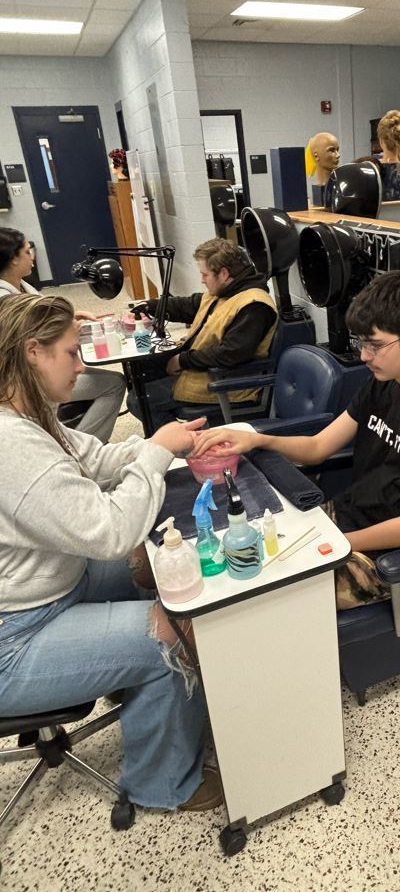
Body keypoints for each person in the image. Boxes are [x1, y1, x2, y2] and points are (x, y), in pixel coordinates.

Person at [0, 293, 221, 811]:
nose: (81, 366)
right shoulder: (11, 445)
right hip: (13, 639)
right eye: (72, 353)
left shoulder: (29, 417)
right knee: (170, 637)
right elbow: (112, 530)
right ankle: (164, 784)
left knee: (150, 568)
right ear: (33, 352)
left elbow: (98, 458)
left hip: (50, 588)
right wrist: (159, 452)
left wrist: (170, 445)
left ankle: (138, 689)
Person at [191, 271, 400, 610]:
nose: (363, 356)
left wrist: (335, 540)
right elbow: (318, 447)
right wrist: (255, 439)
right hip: (345, 518)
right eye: (362, 344)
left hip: (389, 558)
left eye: (374, 345)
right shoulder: (384, 385)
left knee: (266, 595)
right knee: (243, 557)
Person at [127, 237, 278, 433]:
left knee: (138, 399)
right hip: (206, 370)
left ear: (223, 274)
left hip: (227, 382)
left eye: (205, 275)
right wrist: (151, 306)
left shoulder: (253, 306)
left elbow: (231, 354)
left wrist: (182, 360)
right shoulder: (226, 292)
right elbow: (189, 305)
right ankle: (183, 435)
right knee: (144, 371)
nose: (202, 280)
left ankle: (186, 442)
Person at [0, 227, 127, 443]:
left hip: (39, 367)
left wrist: (75, 315)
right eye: (27, 251)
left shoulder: (21, 285)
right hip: (28, 377)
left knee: (113, 377)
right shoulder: (5, 299)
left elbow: (40, 317)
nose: (33, 256)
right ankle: (76, 447)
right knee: (113, 385)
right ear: (13, 259)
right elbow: (29, 339)